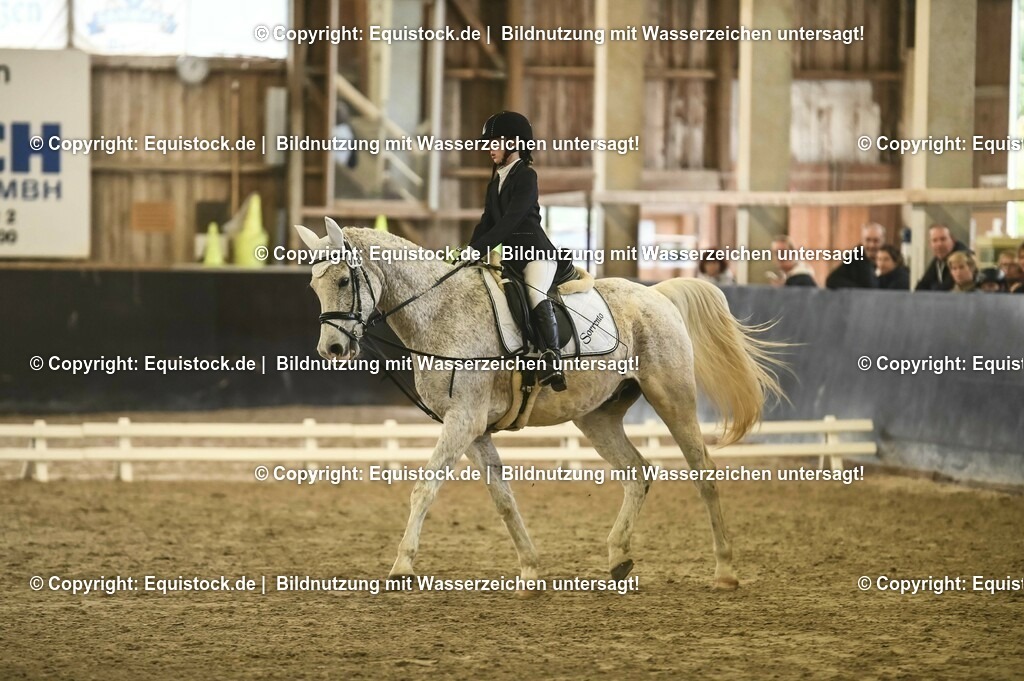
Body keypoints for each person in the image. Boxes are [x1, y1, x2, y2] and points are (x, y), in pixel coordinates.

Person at [466, 111, 571, 392]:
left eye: (495, 143)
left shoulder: (526, 176)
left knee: (535, 293)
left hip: (537, 254)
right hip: (512, 258)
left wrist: (480, 248)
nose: (490, 149)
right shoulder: (495, 180)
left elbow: (510, 221)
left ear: (514, 143)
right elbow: (486, 222)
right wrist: (467, 252)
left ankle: (553, 356)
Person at [825, 222, 883, 289]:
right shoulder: (854, 258)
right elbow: (832, 280)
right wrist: (859, 290)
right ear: (862, 241)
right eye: (868, 240)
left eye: (876, 241)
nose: (871, 245)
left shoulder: (890, 258)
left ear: (883, 241)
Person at [914, 224, 970, 291]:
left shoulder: (962, 257)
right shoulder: (939, 258)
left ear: (952, 240)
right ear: (930, 244)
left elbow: (946, 288)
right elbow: (922, 286)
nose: (939, 244)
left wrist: (934, 287)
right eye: (934, 240)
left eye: (943, 239)